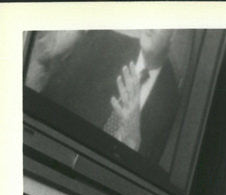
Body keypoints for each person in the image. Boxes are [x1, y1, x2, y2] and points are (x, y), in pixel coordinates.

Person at [36, 29, 180, 162]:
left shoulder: (174, 104)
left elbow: (151, 175)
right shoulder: (103, 42)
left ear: (174, 34)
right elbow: (49, 101)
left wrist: (133, 144)